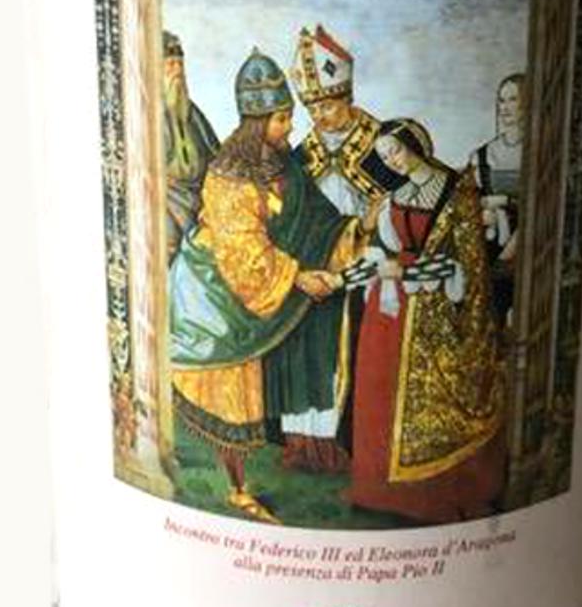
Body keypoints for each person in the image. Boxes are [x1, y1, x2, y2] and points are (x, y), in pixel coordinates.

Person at [169, 49, 372, 524]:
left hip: (257, 290)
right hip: (215, 298)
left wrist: (357, 230)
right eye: (282, 119)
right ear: (259, 122)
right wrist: (298, 276)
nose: (289, 127)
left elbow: (317, 218)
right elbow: (243, 252)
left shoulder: (284, 165)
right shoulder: (228, 175)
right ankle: (237, 491)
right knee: (231, 396)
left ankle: (242, 486)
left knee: (247, 394)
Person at [349, 119, 506, 523]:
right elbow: (384, 246)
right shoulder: (396, 194)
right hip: (390, 308)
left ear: (416, 144)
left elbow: (466, 260)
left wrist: (410, 272)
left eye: (396, 150)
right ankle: (381, 490)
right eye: (384, 156)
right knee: (379, 384)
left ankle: (429, 492)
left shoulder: (456, 191)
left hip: (436, 305)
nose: (392, 160)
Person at [271, 25, 396, 471]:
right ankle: (303, 445)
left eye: (326, 105)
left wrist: (364, 233)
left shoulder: (384, 145)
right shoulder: (302, 155)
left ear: (347, 97)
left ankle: (349, 446)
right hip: (311, 271)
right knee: (303, 353)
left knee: (356, 353)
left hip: (365, 272)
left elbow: (395, 210)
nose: (319, 116)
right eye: (312, 108)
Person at [470, 73, 526, 326]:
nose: (505, 107)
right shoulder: (481, 156)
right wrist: (485, 208)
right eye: (501, 100)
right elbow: (469, 201)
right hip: (491, 239)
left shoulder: (540, 151)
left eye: (513, 99)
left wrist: (504, 201)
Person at [162, 31, 220, 264]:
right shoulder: (148, 114)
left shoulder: (191, 112)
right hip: (169, 201)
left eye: (180, 64)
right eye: (170, 64)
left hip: (201, 197)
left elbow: (216, 154)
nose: (178, 71)